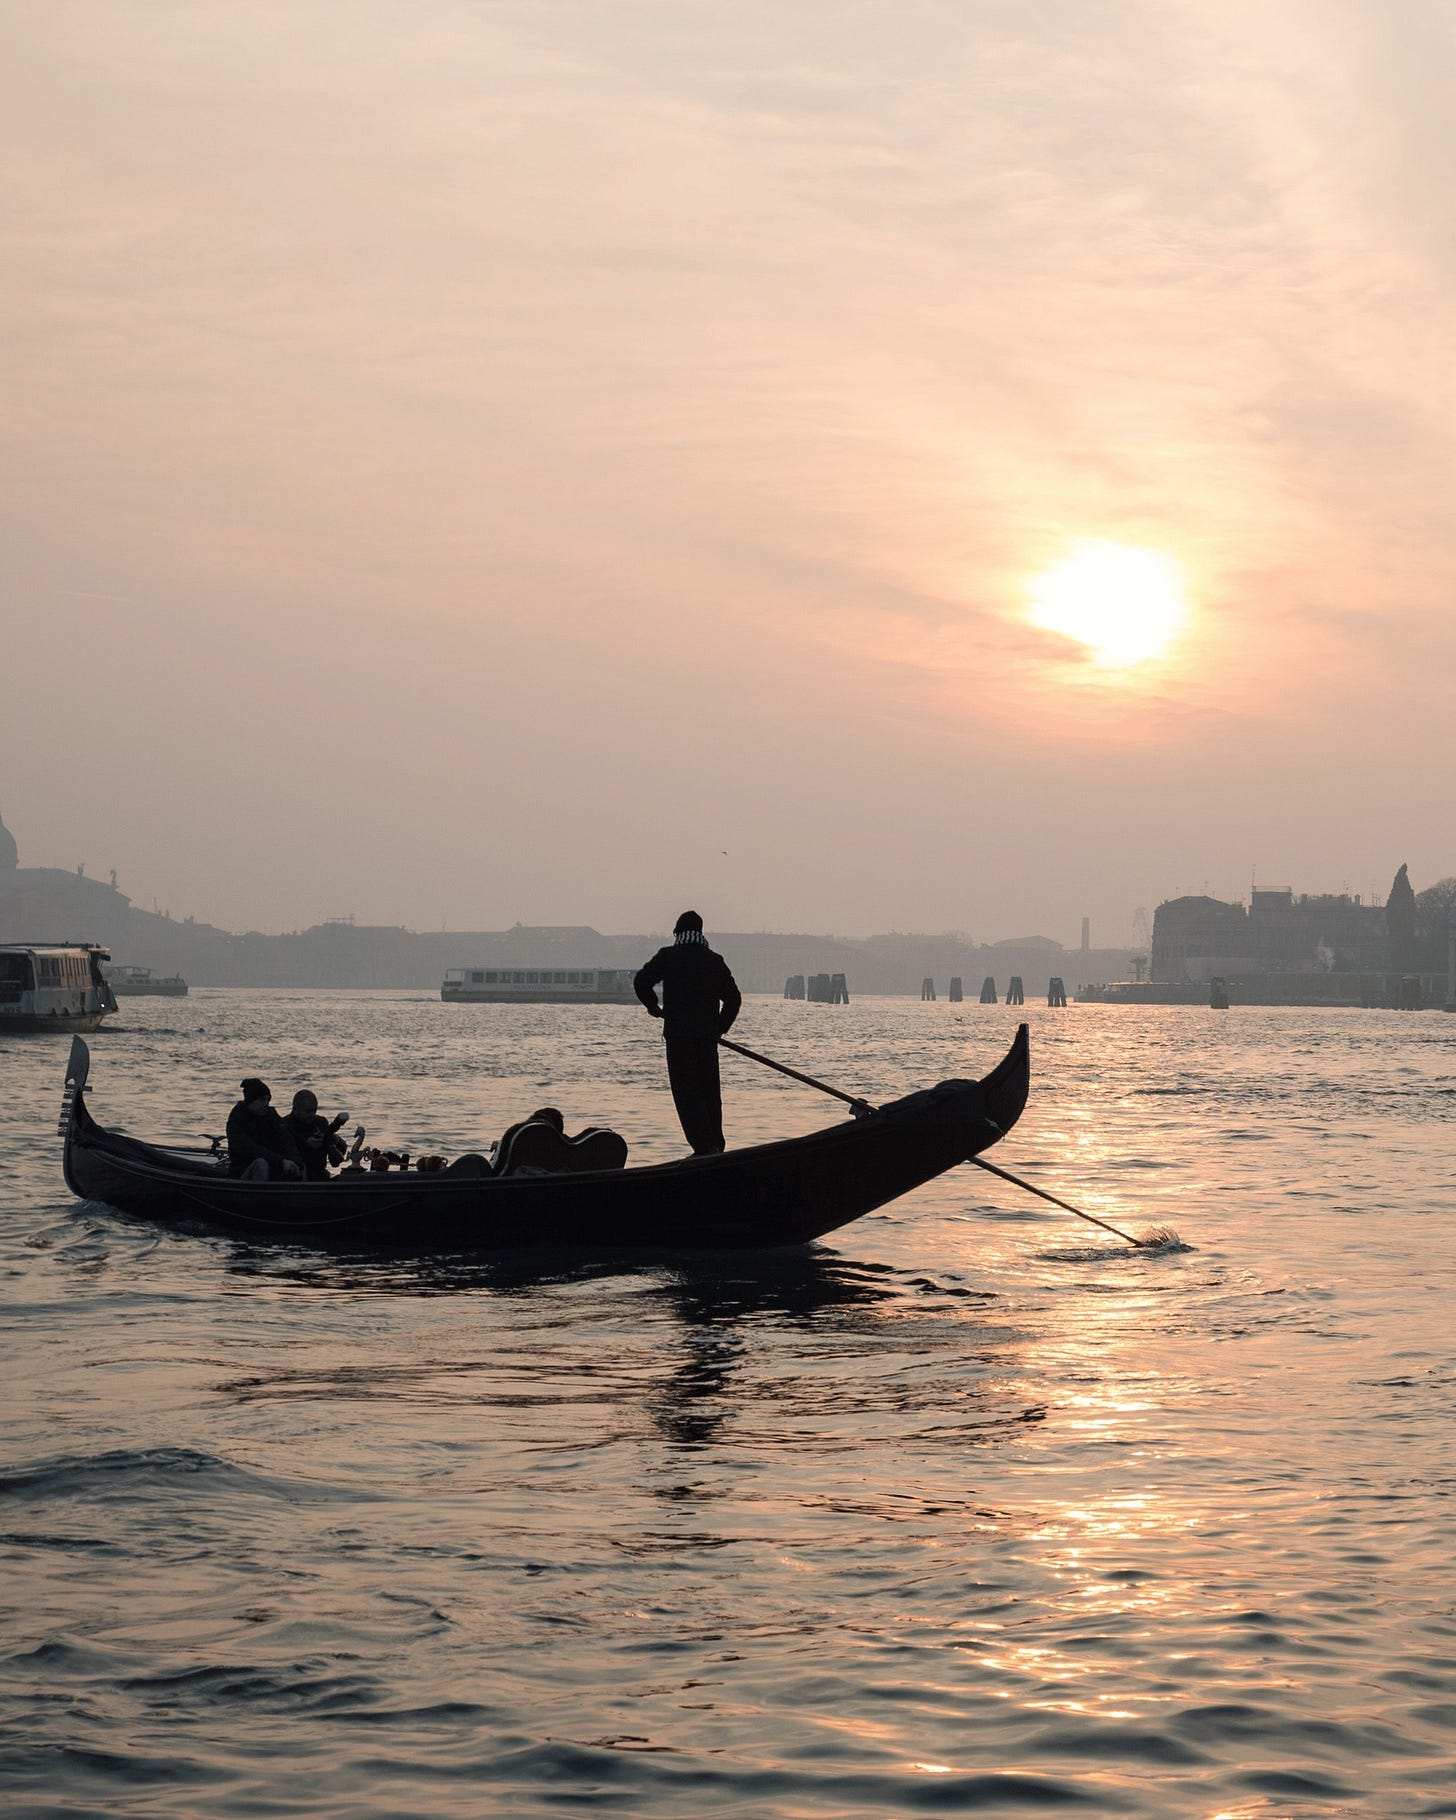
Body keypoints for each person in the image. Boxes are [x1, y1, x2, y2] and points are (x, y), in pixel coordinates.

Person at [634, 910, 741, 1155]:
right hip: (706, 1040)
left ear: (677, 933)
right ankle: (715, 1145)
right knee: (709, 1092)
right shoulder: (714, 960)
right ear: (701, 933)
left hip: (678, 1038)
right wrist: (719, 1029)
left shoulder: (668, 957)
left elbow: (641, 981)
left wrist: (653, 1007)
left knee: (686, 1093)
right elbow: (734, 999)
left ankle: (703, 1148)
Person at [226, 1077, 302, 1181]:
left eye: (268, 1099)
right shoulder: (236, 1120)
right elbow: (251, 1149)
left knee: (299, 1164)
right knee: (260, 1164)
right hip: (242, 1174)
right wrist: (280, 1161)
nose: (266, 1103)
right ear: (250, 1101)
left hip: (273, 1168)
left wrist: (295, 1162)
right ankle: (259, 1196)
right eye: (262, 1100)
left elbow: (287, 1139)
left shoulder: (271, 1115)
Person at [281, 1088, 349, 1182]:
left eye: (314, 1110)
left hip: (320, 1174)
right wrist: (305, 1143)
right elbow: (284, 1147)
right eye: (308, 1112)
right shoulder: (285, 1124)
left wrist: (334, 1142)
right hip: (295, 1176)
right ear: (295, 1110)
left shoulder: (320, 1122)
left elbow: (336, 1159)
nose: (312, 1115)